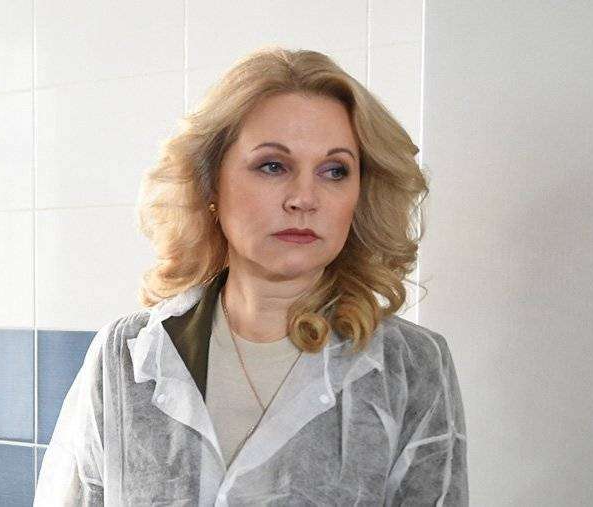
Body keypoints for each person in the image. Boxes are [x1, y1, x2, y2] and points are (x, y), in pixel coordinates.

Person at [34, 47, 468, 506]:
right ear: (210, 183)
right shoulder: (127, 354)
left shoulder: (412, 366)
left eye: (335, 171)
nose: (304, 198)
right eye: (273, 166)